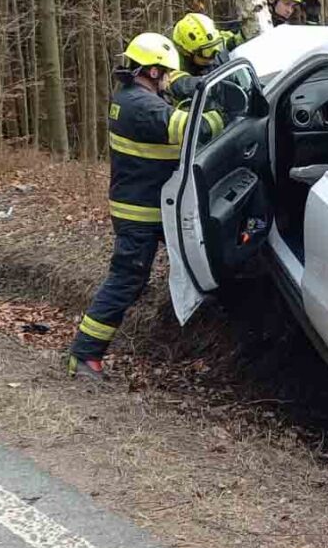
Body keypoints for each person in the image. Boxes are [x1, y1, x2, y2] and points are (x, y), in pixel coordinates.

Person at [66, 32, 224, 381]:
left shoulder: (130, 98)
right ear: (152, 72)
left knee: (162, 272)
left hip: (144, 208)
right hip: (142, 214)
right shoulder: (142, 107)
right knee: (126, 281)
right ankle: (84, 355)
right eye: (166, 73)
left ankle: (86, 353)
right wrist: (220, 109)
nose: (169, 79)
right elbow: (193, 129)